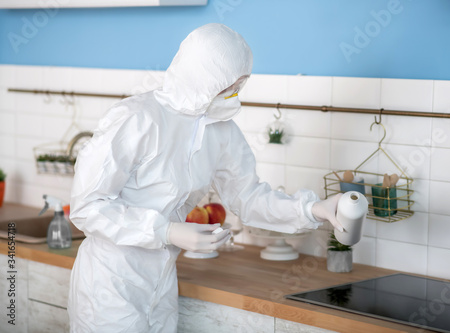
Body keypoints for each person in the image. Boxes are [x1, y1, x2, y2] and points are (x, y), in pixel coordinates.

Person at [67, 23, 343, 332]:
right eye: (228, 84)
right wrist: (167, 231)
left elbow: (249, 196)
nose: (235, 93)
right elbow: (87, 206)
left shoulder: (221, 129)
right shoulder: (137, 118)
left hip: (162, 282)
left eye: (241, 83)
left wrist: (312, 209)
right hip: (109, 284)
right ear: (201, 75)